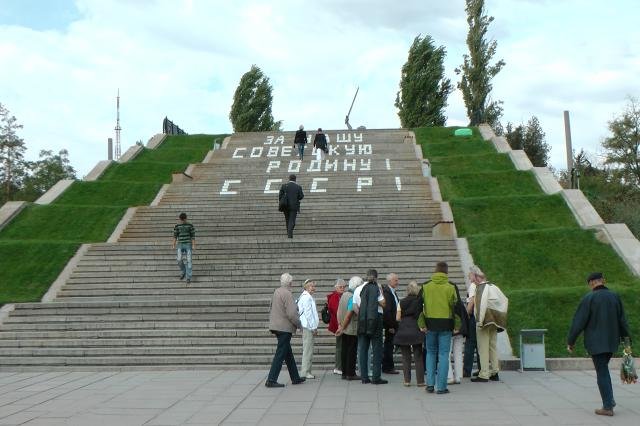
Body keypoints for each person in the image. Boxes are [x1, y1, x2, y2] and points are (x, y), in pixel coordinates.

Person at [567, 272, 631, 417]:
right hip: (612, 342)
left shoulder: (589, 298)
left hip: (596, 343)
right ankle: (610, 401)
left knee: (602, 371)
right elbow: (623, 321)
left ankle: (608, 406)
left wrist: (571, 341)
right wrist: (627, 340)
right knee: (603, 369)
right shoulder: (615, 296)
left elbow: (578, 323)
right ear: (603, 281)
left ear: (591, 283)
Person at [418, 262, 457, 394]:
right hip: (446, 324)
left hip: (430, 324)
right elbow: (455, 308)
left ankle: (429, 384)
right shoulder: (451, 287)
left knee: (430, 353)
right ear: (446, 272)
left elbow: (418, 307)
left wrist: (422, 324)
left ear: (435, 271)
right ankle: (441, 387)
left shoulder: (426, 286)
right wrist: (457, 325)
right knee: (444, 354)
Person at [266, 273, 306, 388]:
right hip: (284, 328)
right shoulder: (287, 293)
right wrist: (299, 325)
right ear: (290, 283)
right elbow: (292, 313)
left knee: (288, 353)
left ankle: (295, 377)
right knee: (281, 353)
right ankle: (271, 379)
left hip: (276, 326)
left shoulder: (277, 291)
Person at [470, 265, 508, 383]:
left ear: (476, 277)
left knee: (483, 348)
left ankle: (484, 374)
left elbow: (480, 307)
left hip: (484, 321)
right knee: (493, 346)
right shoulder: (493, 286)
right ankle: (495, 372)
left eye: (471, 277)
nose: (471, 280)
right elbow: (505, 300)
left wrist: (479, 322)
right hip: (494, 321)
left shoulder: (480, 288)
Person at [356, 269, 387, 385]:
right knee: (377, 349)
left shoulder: (359, 288)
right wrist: (381, 292)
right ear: (376, 277)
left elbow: (357, 304)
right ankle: (376, 377)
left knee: (363, 349)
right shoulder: (376, 287)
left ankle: (364, 377)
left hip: (362, 319)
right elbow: (383, 303)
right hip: (375, 319)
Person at [394, 280, 425, 387]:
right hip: (416, 330)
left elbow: (397, 318)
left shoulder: (401, 302)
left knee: (405, 357)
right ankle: (420, 381)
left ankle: (407, 381)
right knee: (418, 356)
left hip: (403, 330)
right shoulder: (420, 301)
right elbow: (422, 316)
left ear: (407, 290)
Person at [336, 276, 362, 381]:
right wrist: (343, 327)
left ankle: (344, 373)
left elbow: (338, 311)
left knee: (344, 350)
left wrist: (339, 325)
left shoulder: (344, 295)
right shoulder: (352, 296)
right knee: (351, 351)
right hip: (350, 328)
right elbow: (349, 314)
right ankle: (350, 373)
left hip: (344, 327)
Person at [448, 279, 469, 385]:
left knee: (446, 354)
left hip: (450, 331)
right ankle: (458, 377)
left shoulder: (448, 303)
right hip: (460, 332)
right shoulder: (460, 303)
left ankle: (449, 376)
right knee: (458, 353)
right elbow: (465, 317)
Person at [298, 279, 319, 379]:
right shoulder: (306, 298)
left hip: (307, 326)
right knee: (308, 350)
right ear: (306, 287)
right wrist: (313, 327)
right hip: (308, 327)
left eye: (314, 286)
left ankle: (307, 371)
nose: (313, 288)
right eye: (311, 286)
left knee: (308, 349)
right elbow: (308, 314)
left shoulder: (307, 296)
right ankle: (305, 372)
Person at [463, 267, 482, 377]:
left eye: (469, 275)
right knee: (480, 345)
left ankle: (467, 370)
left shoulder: (473, 286)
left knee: (470, 344)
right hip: (480, 317)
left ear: (474, 275)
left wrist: (466, 316)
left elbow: (471, 303)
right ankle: (481, 368)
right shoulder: (481, 285)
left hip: (473, 318)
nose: (468, 278)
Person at [327, 279, 347, 375]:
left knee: (342, 345)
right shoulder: (335, 297)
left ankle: (340, 366)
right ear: (336, 287)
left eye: (344, 287)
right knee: (340, 346)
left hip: (341, 325)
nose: (342, 288)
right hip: (338, 325)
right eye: (340, 287)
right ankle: (338, 367)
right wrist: (340, 325)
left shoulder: (340, 296)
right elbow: (336, 311)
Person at [381, 273, 400, 374]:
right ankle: (387, 367)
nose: (397, 282)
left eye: (397, 280)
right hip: (391, 324)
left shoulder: (391, 291)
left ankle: (388, 366)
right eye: (395, 280)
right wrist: (390, 326)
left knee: (390, 345)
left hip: (393, 323)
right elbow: (387, 311)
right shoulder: (387, 292)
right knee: (389, 345)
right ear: (389, 281)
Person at [172, 212, 195, 284]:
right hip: (180, 244)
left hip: (188, 244)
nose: (183, 221)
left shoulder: (190, 225)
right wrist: (173, 244)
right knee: (179, 259)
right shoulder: (177, 226)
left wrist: (194, 245)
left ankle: (188, 277)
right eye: (181, 220)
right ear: (179, 219)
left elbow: (193, 236)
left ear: (186, 218)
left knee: (189, 261)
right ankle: (183, 271)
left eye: (184, 220)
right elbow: (175, 235)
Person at [279, 174, 304, 239]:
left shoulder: (284, 186)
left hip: (285, 206)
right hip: (294, 206)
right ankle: (290, 234)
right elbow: (301, 196)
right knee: (292, 220)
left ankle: (289, 234)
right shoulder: (298, 187)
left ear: (289, 179)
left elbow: (280, 196)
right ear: (295, 179)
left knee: (287, 220)